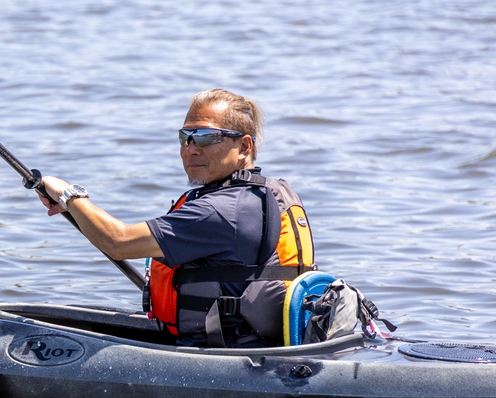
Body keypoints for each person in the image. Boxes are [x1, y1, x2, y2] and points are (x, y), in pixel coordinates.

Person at [37, 89, 315, 348]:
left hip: (222, 356)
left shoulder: (220, 210)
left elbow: (117, 242)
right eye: (186, 137)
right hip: (252, 345)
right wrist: (76, 211)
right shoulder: (269, 193)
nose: (190, 149)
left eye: (206, 137)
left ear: (244, 146)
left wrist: (68, 194)